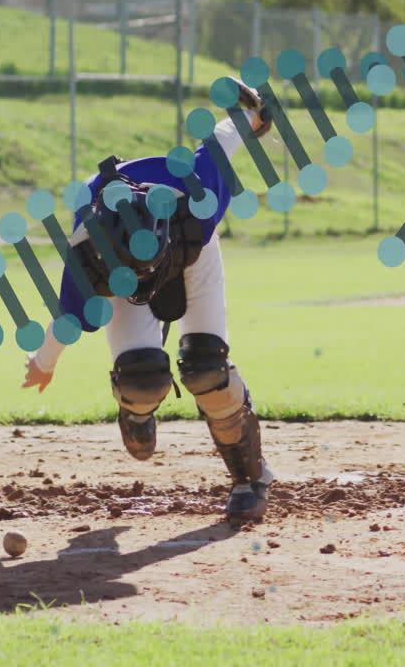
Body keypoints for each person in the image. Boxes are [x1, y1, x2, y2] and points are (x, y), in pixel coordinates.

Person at [21, 77, 275, 525]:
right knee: (142, 380)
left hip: (192, 255)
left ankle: (251, 479)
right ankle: (134, 409)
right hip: (127, 270)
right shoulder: (88, 249)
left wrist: (252, 116)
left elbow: (221, 139)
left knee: (207, 369)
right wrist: (43, 363)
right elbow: (69, 320)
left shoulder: (198, 201)